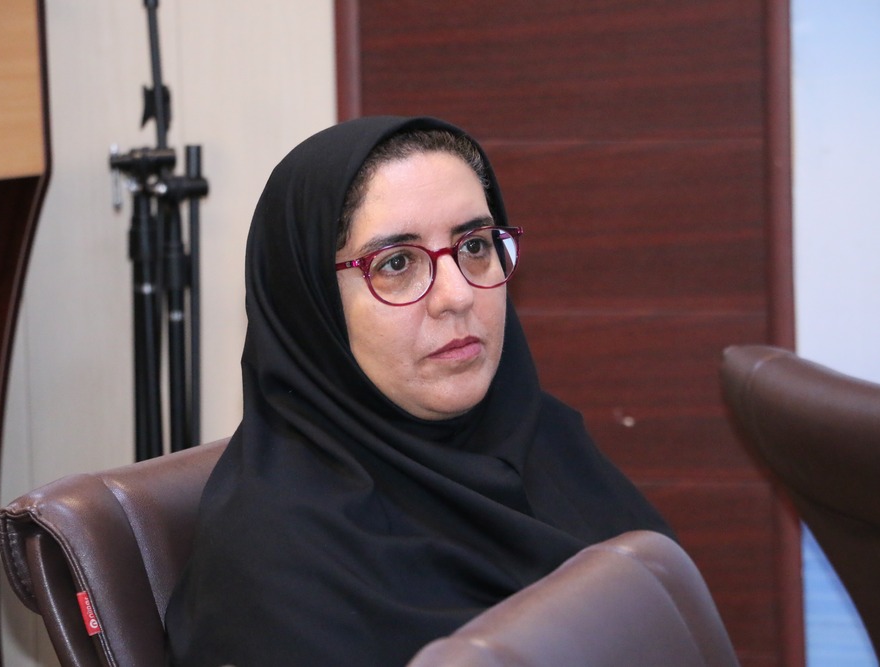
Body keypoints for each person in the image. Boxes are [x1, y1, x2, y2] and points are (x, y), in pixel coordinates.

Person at [165, 116, 672, 666]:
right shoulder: (278, 562)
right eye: (397, 263)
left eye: (474, 245)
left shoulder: (544, 439)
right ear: (311, 303)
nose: (457, 295)